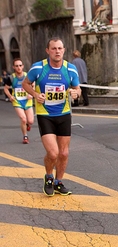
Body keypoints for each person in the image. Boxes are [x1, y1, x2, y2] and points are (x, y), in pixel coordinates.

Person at [22, 37, 81, 197]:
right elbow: (25, 84)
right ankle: (49, 176)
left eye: (60, 48)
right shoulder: (38, 68)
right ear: (48, 51)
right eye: (53, 49)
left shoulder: (70, 69)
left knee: (64, 153)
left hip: (64, 115)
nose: (57, 51)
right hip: (45, 115)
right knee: (53, 153)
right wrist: (35, 95)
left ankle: (58, 182)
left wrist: (76, 93)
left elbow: (77, 88)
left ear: (64, 50)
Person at [3, 58, 34, 144]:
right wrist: (10, 96)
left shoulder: (27, 76)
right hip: (17, 101)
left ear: (23, 66)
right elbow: (6, 89)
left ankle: (28, 124)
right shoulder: (11, 78)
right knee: (23, 119)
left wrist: (31, 94)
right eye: (16, 66)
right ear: (13, 67)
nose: (19, 67)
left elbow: (33, 85)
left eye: (20, 65)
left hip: (27, 100)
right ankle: (25, 136)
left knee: (30, 121)